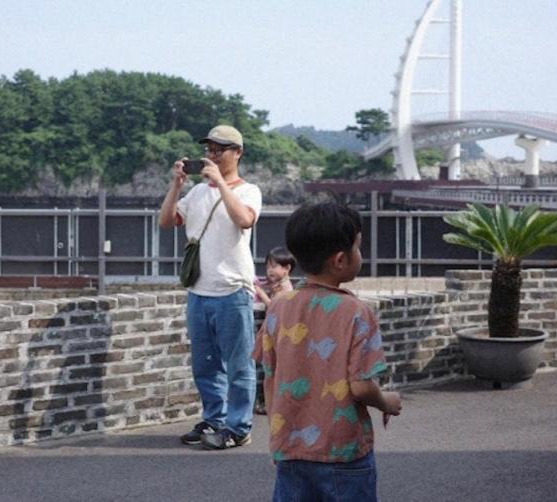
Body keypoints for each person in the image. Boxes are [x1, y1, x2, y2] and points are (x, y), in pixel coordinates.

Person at [253, 202, 402, 501]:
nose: (360, 254)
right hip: (343, 453)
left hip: (291, 451)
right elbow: (360, 386)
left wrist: (276, 437)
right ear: (339, 260)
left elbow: (271, 377)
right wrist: (387, 402)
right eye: (358, 247)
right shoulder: (357, 312)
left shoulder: (279, 307)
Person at [159, 124, 263, 450]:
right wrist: (176, 186)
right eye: (210, 149)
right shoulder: (198, 192)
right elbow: (166, 221)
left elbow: (245, 220)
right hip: (199, 289)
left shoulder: (249, 190)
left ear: (238, 153)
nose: (213, 154)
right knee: (205, 364)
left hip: (233, 289)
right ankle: (214, 418)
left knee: (238, 365)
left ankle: (239, 427)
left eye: (220, 149)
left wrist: (220, 183)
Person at [253, 246, 296, 415]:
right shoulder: (278, 284)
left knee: (271, 369)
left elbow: (273, 306)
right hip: (274, 332)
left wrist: (260, 292)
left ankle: (269, 403)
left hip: (278, 334)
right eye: (268, 266)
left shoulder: (286, 288)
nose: (270, 270)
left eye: (274, 266)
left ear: (287, 269)